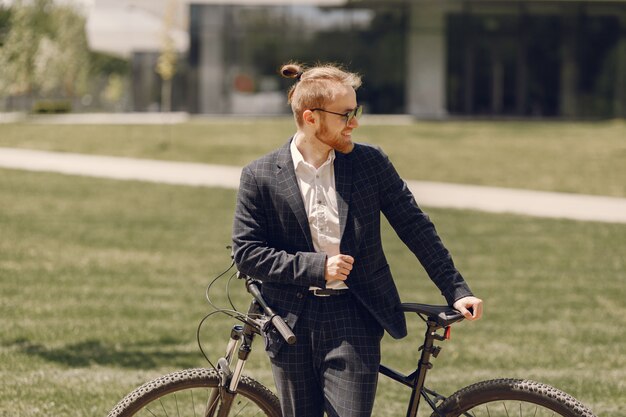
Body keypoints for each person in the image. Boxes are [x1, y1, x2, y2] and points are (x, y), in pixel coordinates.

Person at [232, 62, 483, 417]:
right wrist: (318, 266)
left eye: (356, 111)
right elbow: (248, 253)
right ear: (311, 117)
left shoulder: (370, 163)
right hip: (289, 321)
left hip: (353, 313)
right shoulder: (259, 175)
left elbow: (415, 226)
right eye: (346, 114)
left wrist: (457, 290)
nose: (355, 122)